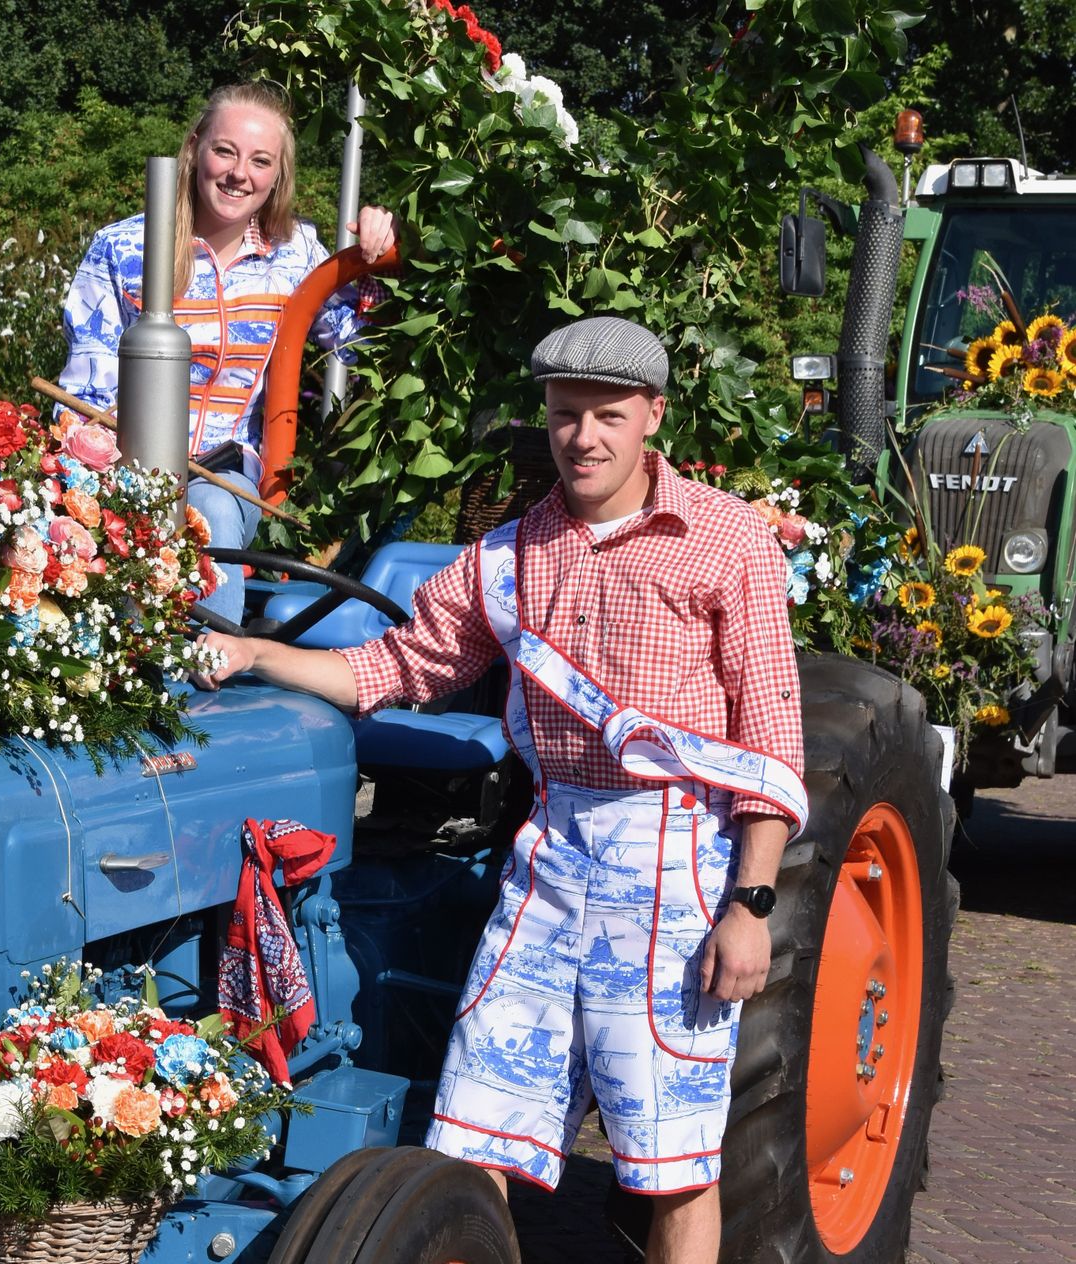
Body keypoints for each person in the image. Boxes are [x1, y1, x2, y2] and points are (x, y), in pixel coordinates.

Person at [194, 315, 807, 1264]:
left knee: (673, 1165)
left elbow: (768, 736)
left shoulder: (726, 542)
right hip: (551, 856)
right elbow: (392, 667)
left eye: (607, 415)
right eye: (567, 415)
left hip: (677, 864)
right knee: (475, 1134)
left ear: (652, 415)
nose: (585, 438)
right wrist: (256, 654)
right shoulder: (508, 557)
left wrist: (752, 904)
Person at [58, 82, 396, 626]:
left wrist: (375, 258)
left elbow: (361, 345)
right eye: (225, 151)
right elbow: (83, 389)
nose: (241, 174)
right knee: (128, 540)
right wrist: (114, 474)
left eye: (261, 161)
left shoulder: (296, 255)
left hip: (225, 470)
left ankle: (205, 680)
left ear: (277, 176)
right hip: (126, 465)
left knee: (209, 511)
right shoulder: (123, 248)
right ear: (194, 149)